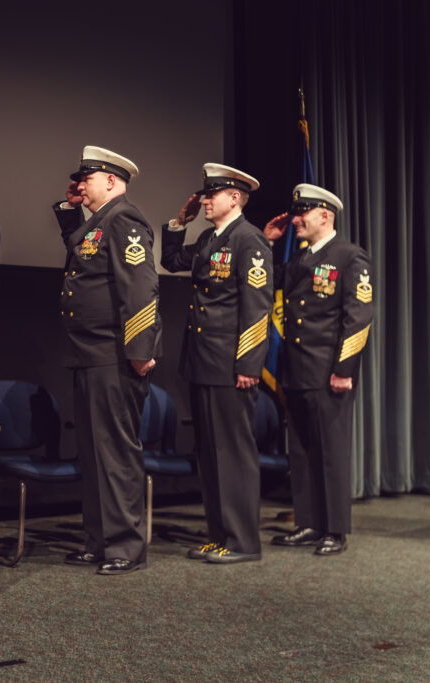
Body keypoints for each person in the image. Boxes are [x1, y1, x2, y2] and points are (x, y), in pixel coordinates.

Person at [53, 146, 161, 575]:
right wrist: (69, 208)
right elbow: (81, 253)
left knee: (115, 455)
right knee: (93, 455)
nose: (81, 185)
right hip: (88, 354)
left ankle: (125, 546)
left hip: (114, 356)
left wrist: (139, 352)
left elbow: (140, 287)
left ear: (111, 181)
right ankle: (99, 540)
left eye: (88, 179)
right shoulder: (99, 222)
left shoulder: (125, 219)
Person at [161, 163, 273, 564]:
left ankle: (243, 541)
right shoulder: (211, 237)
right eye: (205, 194)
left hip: (230, 366)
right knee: (210, 454)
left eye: (212, 194)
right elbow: (173, 260)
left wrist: (248, 364)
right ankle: (220, 535)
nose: (205, 200)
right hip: (203, 362)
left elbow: (257, 310)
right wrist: (179, 221)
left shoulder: (250, 241)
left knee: (233, 454)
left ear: (235, 198)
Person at [263, 184, 373, 555]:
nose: (295, 220)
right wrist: (267, 243)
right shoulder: (300, 259)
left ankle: (335, 529)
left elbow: (358, 318)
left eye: (302, 213)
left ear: (324, 214)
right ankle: (308, 523)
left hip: (328, 373)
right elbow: (268, 282)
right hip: (296, 371)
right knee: (303, 451)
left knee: (331, 451)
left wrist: (344, 368)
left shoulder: (349, 257)